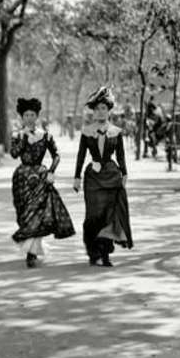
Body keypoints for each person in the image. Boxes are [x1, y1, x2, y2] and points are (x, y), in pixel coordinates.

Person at [10, 97, 75, 268]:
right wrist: (23, 140)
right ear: (22, 117)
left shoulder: (45, 135)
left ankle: (31, 254)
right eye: (26, 115)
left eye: (32, 115)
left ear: (37, 116)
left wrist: (51, 171)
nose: (29, 118)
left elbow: (57, 155)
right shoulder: (17, 135)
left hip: (40, 177)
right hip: (22, 178)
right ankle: (32, 246)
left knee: (38, 212)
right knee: (23, 213)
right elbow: (14, 154)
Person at [73, 86, 133, 267]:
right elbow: (81, 155)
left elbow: (121, 155)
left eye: (104, 109)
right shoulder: (86, 131)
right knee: (93, 215)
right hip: (93, 178)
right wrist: (77, 177)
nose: (100, 112)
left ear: (109, 111)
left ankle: (105, 253)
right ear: (93, 111)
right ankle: (93, 251)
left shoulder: (116, 131)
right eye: (97, 109)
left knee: (109, 216)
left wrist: (124, 173)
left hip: (111, 176)